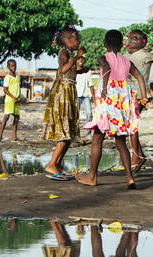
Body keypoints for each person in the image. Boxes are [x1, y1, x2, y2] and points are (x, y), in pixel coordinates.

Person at [77, 30, 148, 189]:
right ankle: (130, 178)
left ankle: (92, 176)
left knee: (97, 137)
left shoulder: (103, 57)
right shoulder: (126, 61)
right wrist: (144, 96)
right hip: (121, 101)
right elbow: (139, 77)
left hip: (108, 98)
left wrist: (104, 86)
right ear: (122, 46)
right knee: (121, 141)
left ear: (105, 45)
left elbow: (106, 67)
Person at [43, 25, 87, 181]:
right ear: (69, 40)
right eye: (77, 39)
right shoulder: (64, 52)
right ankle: (51, 164)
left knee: (70, 133)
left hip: (69, 91)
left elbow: (70, 70)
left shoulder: (68, 53)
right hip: (62, 93)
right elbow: (63, 70)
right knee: (65, 131)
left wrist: (81, 69)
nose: (79, 42)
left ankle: (58, 165)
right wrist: (77, 57)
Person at [124, 29, 153, 172]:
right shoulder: (124, 56)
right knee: (129, 125)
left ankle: (136, 156)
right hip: (125, 94)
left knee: (132, 125)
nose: (135, 39)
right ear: (127, 40)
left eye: (139, 37)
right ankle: (139, 154)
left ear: (144, 42)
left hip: (139, 94)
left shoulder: (145, 55)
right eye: (133, 37)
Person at [0, 59, 21, 142]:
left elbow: (18, 88)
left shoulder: (18, 77)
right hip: (10, 100)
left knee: (17, 117)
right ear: (8, 67)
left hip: (17, 100)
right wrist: (13, 97)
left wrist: (19, 97)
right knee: (6, 117)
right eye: (12, 66)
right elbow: (5, 89)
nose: (14, 67)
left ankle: (14, 136)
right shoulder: (8, 77)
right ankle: (0, 135)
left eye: (15, 65)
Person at [75, 56, 94, 137]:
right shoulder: (74, 71)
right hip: (76, 95)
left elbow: (91, 84)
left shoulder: (87, 71)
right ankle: (75, 133)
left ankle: (88, 133)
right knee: (76, 115)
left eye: (82, 60)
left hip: (86, 95)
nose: (81, 61)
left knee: (89, 113)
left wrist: (93, 96)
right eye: (79, 59)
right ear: (76, 61)